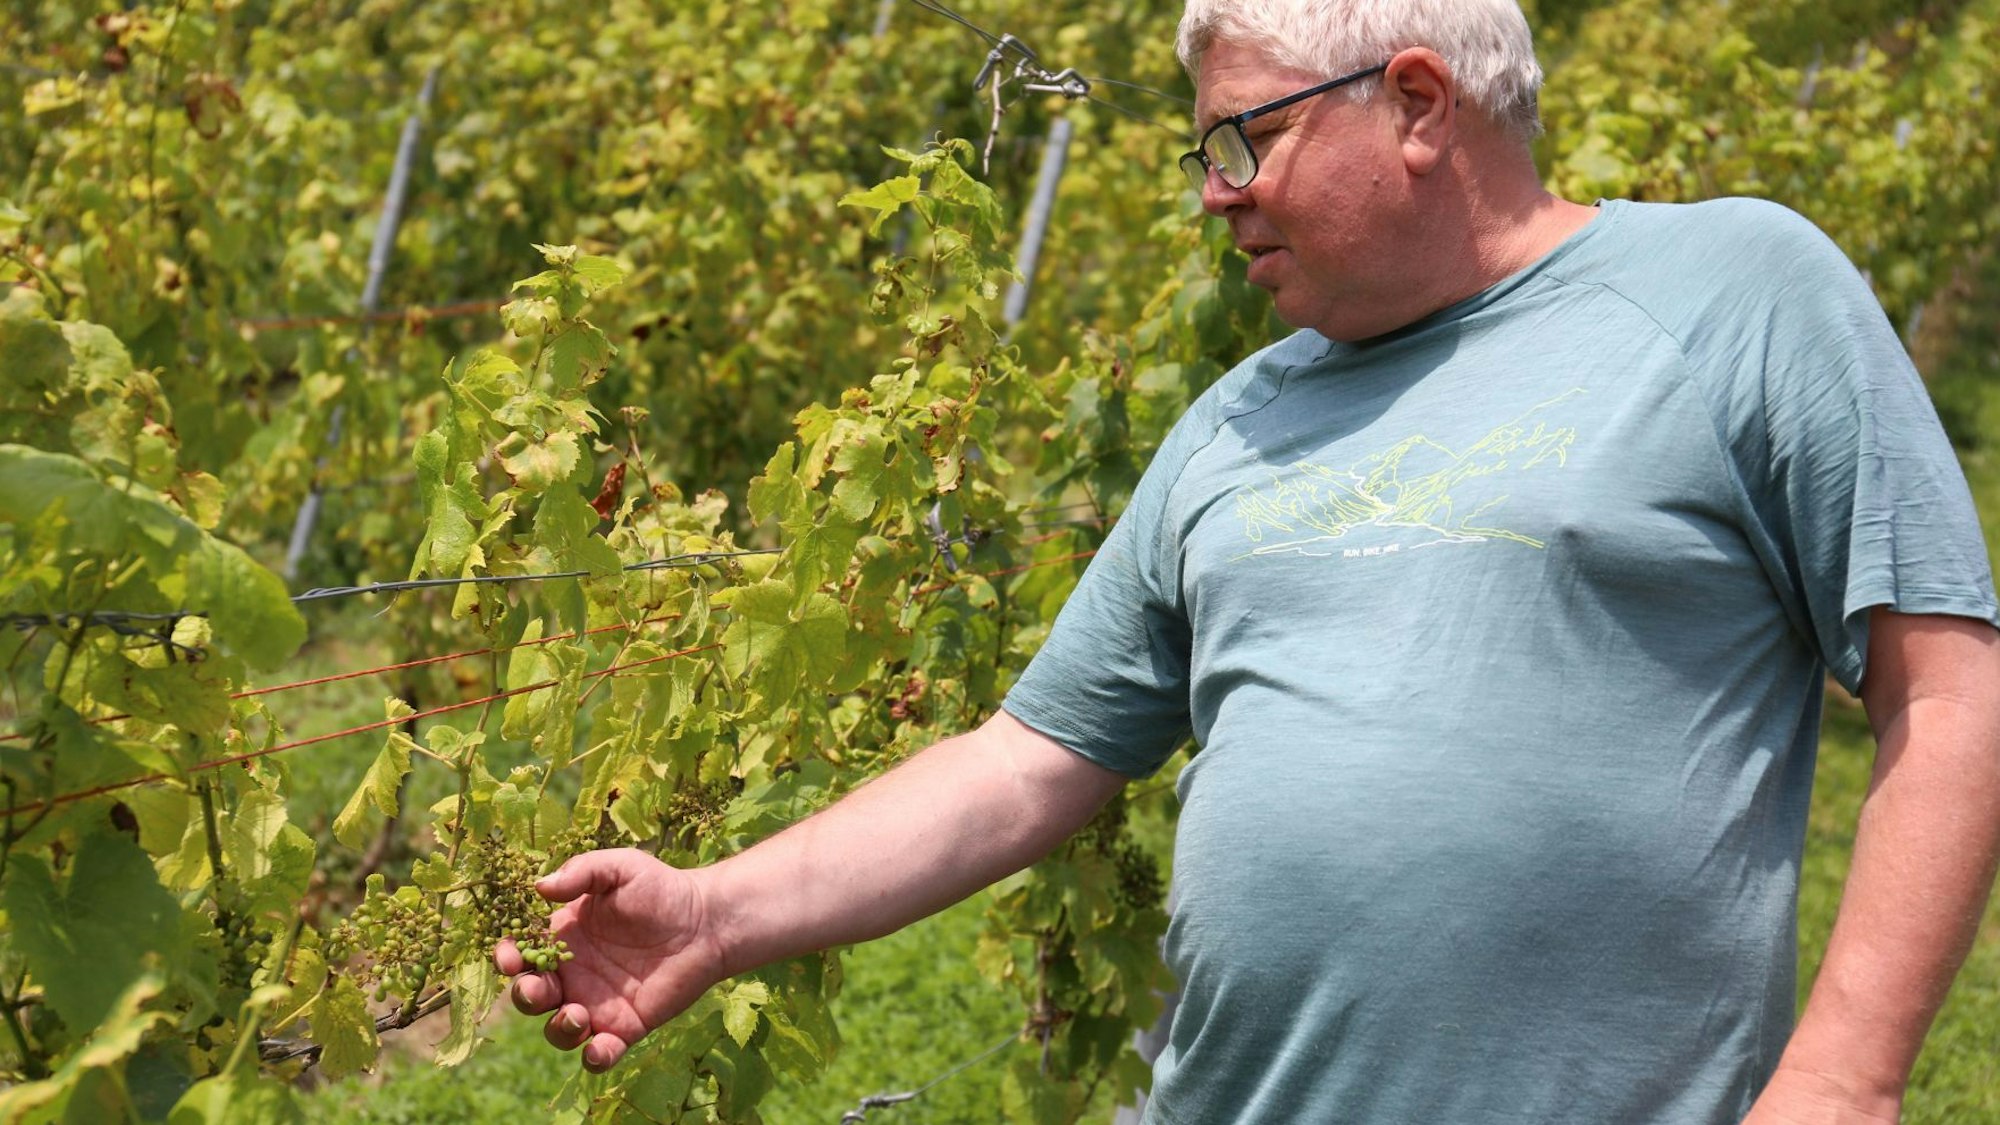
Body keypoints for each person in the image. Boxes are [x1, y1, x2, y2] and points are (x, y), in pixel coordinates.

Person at [497, 1, 2000, 1120]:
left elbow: (1948, 697)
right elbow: (1031, 759)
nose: (1213, 191)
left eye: (1247, 139)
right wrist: (723, 907)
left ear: (1417, 102)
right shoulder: (1238, 421)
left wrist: (1845, 1083)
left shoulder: (1735, 292)